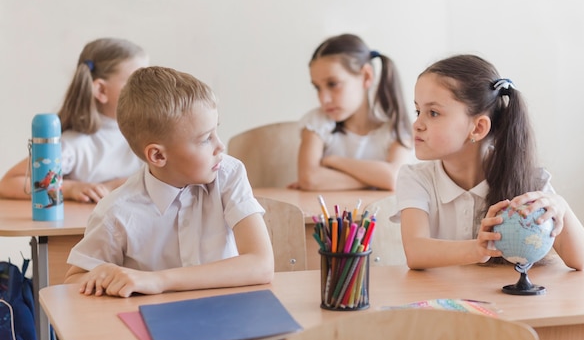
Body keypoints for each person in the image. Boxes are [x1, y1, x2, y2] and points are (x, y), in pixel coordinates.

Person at [64, 66, 274, 297]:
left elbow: (261, 265)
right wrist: (106, 274)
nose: (220, 146)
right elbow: (74, 280)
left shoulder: (228, 174)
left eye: (216, 131)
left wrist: (159, 280)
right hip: (153, 323)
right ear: (158, 156)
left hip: (228, 313)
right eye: (206, 139)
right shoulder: (116, 212)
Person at [393, 54, 584, 271]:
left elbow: (579, 260)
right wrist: (477, 250)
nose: (417, 124)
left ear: (477, 128)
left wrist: (561, 205)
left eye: (433, 113)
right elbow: (416, 251)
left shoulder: (529, 180)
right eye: (418, 111)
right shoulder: (415, 179)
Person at [0, 38, 148, 203]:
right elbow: (8, 183)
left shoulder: (152, 135)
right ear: (101, 90)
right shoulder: (75, 144)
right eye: (136, 82)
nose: (148, 90)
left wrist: (111, 186)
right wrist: (70, 188)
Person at [290, 33, 413, 191]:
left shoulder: (396, 128)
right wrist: (378, 179)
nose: (323, 98)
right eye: (317, 87)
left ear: (366, 76)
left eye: (333, 84)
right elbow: (310, 179)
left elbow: (395, 178)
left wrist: (333, 161)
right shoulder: (317, 122)